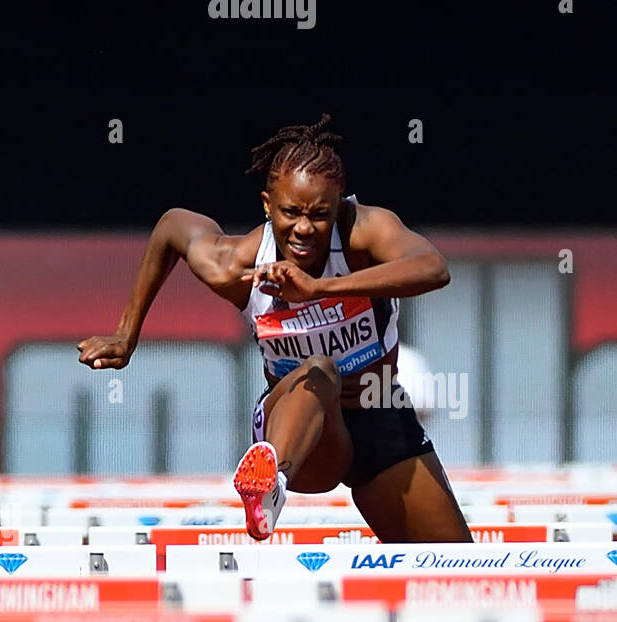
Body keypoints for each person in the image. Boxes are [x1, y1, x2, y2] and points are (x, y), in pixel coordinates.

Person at [78, 115, 471, 543]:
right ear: (267, 204)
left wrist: (321, 288)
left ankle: (275, 480)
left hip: (379, 416)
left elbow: (434, 268)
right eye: (291, 212)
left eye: (320, 215)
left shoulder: (363, 234)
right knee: (320, 370)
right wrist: (126, 333)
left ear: (339, 205)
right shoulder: (241, 265)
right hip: (301, 436)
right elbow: (173, 226)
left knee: (459, 573)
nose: (304, 227)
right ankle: (269, 486)